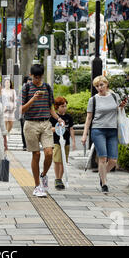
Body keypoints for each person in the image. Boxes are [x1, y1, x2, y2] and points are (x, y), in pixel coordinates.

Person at [21, 64, 65, 198]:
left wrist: (58, 119)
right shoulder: (26, 88)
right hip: (31, 123)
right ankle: (37, 185)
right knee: (36, 155)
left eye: (39, 78)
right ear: (31, 75)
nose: (37, 80)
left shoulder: (47, 87)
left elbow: (51, 108)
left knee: (49, 153)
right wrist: (33, 99)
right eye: (35, 77)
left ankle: (43, 174)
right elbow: (21, 109)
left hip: (45, 123)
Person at [81, 76, 127, 193]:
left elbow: (118, 110)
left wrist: (121, 106)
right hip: (98, 130)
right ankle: (104, 183)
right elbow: (89, 118)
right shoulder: (93, 100)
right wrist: (84, 134)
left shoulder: (114, 96)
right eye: (97, 86)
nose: (99, 88)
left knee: (113, 161)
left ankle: (102, 174)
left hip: (112, 130)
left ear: (106, 84)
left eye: (101, 85)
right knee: (103, 157)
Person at [49, 97, 75, 190]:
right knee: (57, 161)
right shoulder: (53, 117)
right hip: (56, 142)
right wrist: (57, 128)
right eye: (62, 106)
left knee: (64, 161)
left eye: (65, 106)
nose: (64, 108)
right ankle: (57, 178)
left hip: (66, 142)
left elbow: (71, 129)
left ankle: (60, 179)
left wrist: (74, 142)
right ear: (57, 107)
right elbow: (49, 129)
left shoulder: (69, 117)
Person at [20, 76, 32, 150]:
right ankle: (25, 145)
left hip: (30, 113)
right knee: (24, 129)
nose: (30, 82)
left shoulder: (33, 89)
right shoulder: (23, 89)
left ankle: (27, 145)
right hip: (23, 113)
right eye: (29, 81)